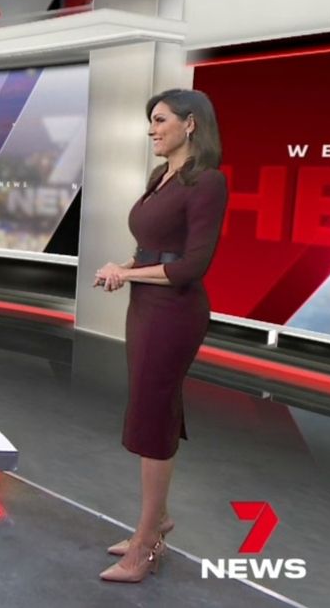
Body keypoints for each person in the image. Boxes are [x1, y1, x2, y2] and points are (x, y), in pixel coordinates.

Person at [93, 88, 228, 582]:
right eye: (150, 121)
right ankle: (158, 519)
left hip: (175, 313)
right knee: (153, 409)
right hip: (145, 307)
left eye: (160, 119)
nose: (151, 129)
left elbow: (191, 266)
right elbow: (152, 247)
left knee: (153, 417)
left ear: (191, 124)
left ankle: (146, 543)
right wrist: (124, 266)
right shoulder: (160, 177)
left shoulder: (208, 182)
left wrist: (128, 274)